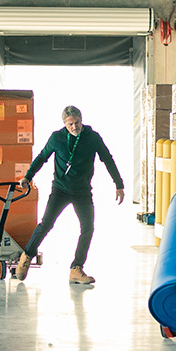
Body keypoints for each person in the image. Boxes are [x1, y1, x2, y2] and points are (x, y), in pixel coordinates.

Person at [14, 106, 125, 284]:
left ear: (82, 120)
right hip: (60, 190)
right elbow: (42, 157)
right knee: (46, 224)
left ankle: (76, 268)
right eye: (70, 124)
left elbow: (107, 158)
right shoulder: (57, 138)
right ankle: (26, 256)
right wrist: (28, 177)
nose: (74, 127)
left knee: (87, 228)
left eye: (77, 122)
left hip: (82, 192)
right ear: (64, 124)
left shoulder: (92, 137)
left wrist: (119, 184)